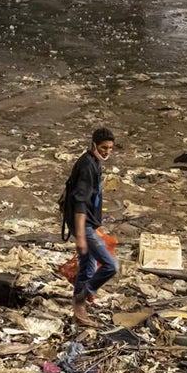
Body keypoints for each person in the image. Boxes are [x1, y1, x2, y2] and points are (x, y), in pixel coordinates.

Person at [63, 127, 118, 327]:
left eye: (110, 148)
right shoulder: (87, 166)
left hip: (90, 223)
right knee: (111, 266)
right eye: (104, 147)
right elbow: (80, 202)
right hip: (84, 224)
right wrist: (80, 235)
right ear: (93, 144)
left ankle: (78, 311)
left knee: (88, 267)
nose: (107, 152)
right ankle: (81, 300)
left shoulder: (94, 162)